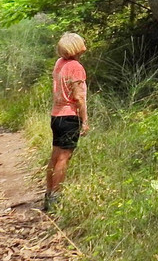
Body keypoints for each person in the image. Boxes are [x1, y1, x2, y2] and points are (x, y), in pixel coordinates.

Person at [44, 32, 89, 211]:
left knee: (55, 157)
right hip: (70, 116)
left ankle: (48, 195)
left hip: (56, 116)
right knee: (64, 158)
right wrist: (84, 120)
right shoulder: (76, 67)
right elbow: (79, 97)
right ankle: (56, 197)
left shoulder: (59, 63)